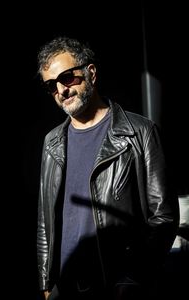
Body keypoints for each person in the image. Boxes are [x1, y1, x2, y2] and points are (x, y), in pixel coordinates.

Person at [36, 36, 179, 300]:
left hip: (116, 288)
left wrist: (132, 279)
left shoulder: (140, 133)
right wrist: (46, 283)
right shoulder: (51, 143)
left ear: (90, 73)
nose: (61, 91)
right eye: (51, 86)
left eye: (67, 78)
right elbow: (45, 222)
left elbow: (164, 218)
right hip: (65, 289)